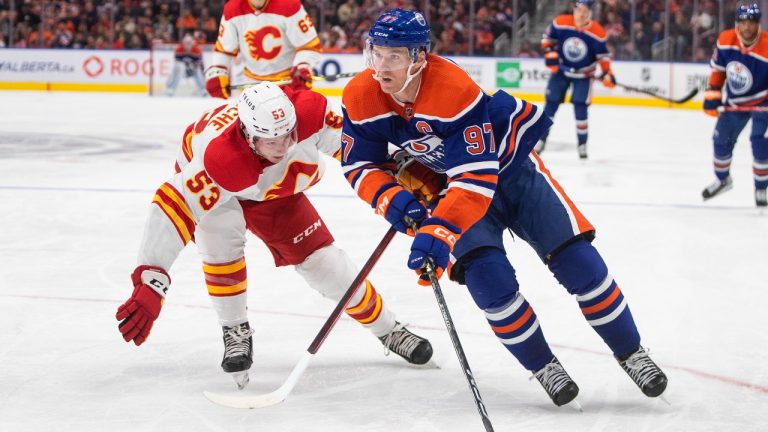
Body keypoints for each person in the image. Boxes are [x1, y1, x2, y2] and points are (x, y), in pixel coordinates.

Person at [339, 8, 667, 408]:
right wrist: (392, 199)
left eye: (394, 56)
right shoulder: (360, 96)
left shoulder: (451, 89)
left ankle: (631, 352)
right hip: (451, 188)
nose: (381, 65)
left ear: (419, 57)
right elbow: (359, 162)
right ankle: (543, 365)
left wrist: (439, 230)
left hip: (511, 174)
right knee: (489, 284)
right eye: (377, 53)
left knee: (581, 265)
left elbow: (476, 181)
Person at [116, 82, 433, 390]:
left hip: (274, 196)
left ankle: (389, 330)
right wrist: (151, 278)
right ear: (249, 137)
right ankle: (235, 329)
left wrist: (398, 165)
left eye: (288, 135)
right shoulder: (219, 161)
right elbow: (172, 207)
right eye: (271, 141)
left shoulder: (307, 116)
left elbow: (356, 147)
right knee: (221, 251)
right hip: (223, 191)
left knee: (327, 266)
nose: (283, 147)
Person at [702, 3, 768, 208]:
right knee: (721, 140)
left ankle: (761, 187)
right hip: (735, 102)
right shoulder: (725, 40)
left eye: (752, 23)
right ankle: (723, 179)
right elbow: (718, 71)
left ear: (759, 24)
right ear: (737, 23)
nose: (748, 27)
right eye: (744, 22)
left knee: (759, 141)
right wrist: (713, 93)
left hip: (763, 101)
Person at [535, 0, 616, 159]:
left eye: (586, 11)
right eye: (579, 10)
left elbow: (603, 57)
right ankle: (541, 139)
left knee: (581, 109)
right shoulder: (561, 22)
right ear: (574, 9)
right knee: (550, 105)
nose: (582, 14)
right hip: (561, 72)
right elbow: (547, 38)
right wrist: (551, 53)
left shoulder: (597, 32)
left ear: (590, 13)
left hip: (583, 76)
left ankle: (582, 144)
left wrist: (608, 73)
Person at [205, 0, 322, 99]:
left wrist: (302, 66)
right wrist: (218, 71)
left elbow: (309, 46)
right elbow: (224, 49)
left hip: (289, 84)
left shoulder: (290, 5)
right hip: (252, 86)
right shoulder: (232, 9)